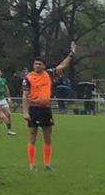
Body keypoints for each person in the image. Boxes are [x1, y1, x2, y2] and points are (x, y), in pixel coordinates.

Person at [24, 42, 76, 171]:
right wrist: (25, 112)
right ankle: (32, 164)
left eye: (39, 64)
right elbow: (25, 95)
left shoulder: (48, 74)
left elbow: (62, 66)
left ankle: (47, 164)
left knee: (47, 136)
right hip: (34, 108)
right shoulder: (28, 77)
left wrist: (71, 54)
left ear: (44, 66)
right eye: (35, 64)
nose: (37, 66)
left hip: (46, 108)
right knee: (32, 135)